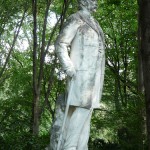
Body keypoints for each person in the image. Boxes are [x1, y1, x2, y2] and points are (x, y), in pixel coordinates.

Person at [55, 0, 105, 149]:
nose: (96, 2)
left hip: (94, 77)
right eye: (93, 0)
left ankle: (82, 147)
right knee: (82, 108)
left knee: (87, 110)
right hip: (80, 75)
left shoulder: (95, 23)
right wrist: (68, 66)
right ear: (83, 1)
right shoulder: (76, 18)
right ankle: (70, 146)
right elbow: (61, 43)